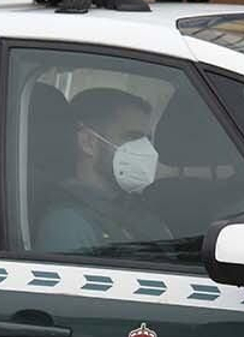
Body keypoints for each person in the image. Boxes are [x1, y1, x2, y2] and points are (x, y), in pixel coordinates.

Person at [35, 88, 172, 253]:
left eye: (147, 139)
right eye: (133, 137)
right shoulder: (68, 224)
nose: (147, 150)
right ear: (88, 142)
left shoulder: (132, 210)